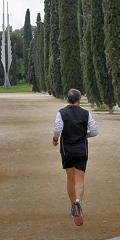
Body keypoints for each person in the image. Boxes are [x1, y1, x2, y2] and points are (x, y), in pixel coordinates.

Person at [51, 88, 99, 226]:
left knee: (70, 178)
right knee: (80, 179)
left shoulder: (61, 113)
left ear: (68, 99)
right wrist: (85, 135)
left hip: (67, 151)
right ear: (79, 99)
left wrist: (55, 139)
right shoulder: (86, 113)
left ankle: (73, 205)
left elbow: (57, 129)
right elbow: (95, 132)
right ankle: (79, 201)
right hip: (81, 150)